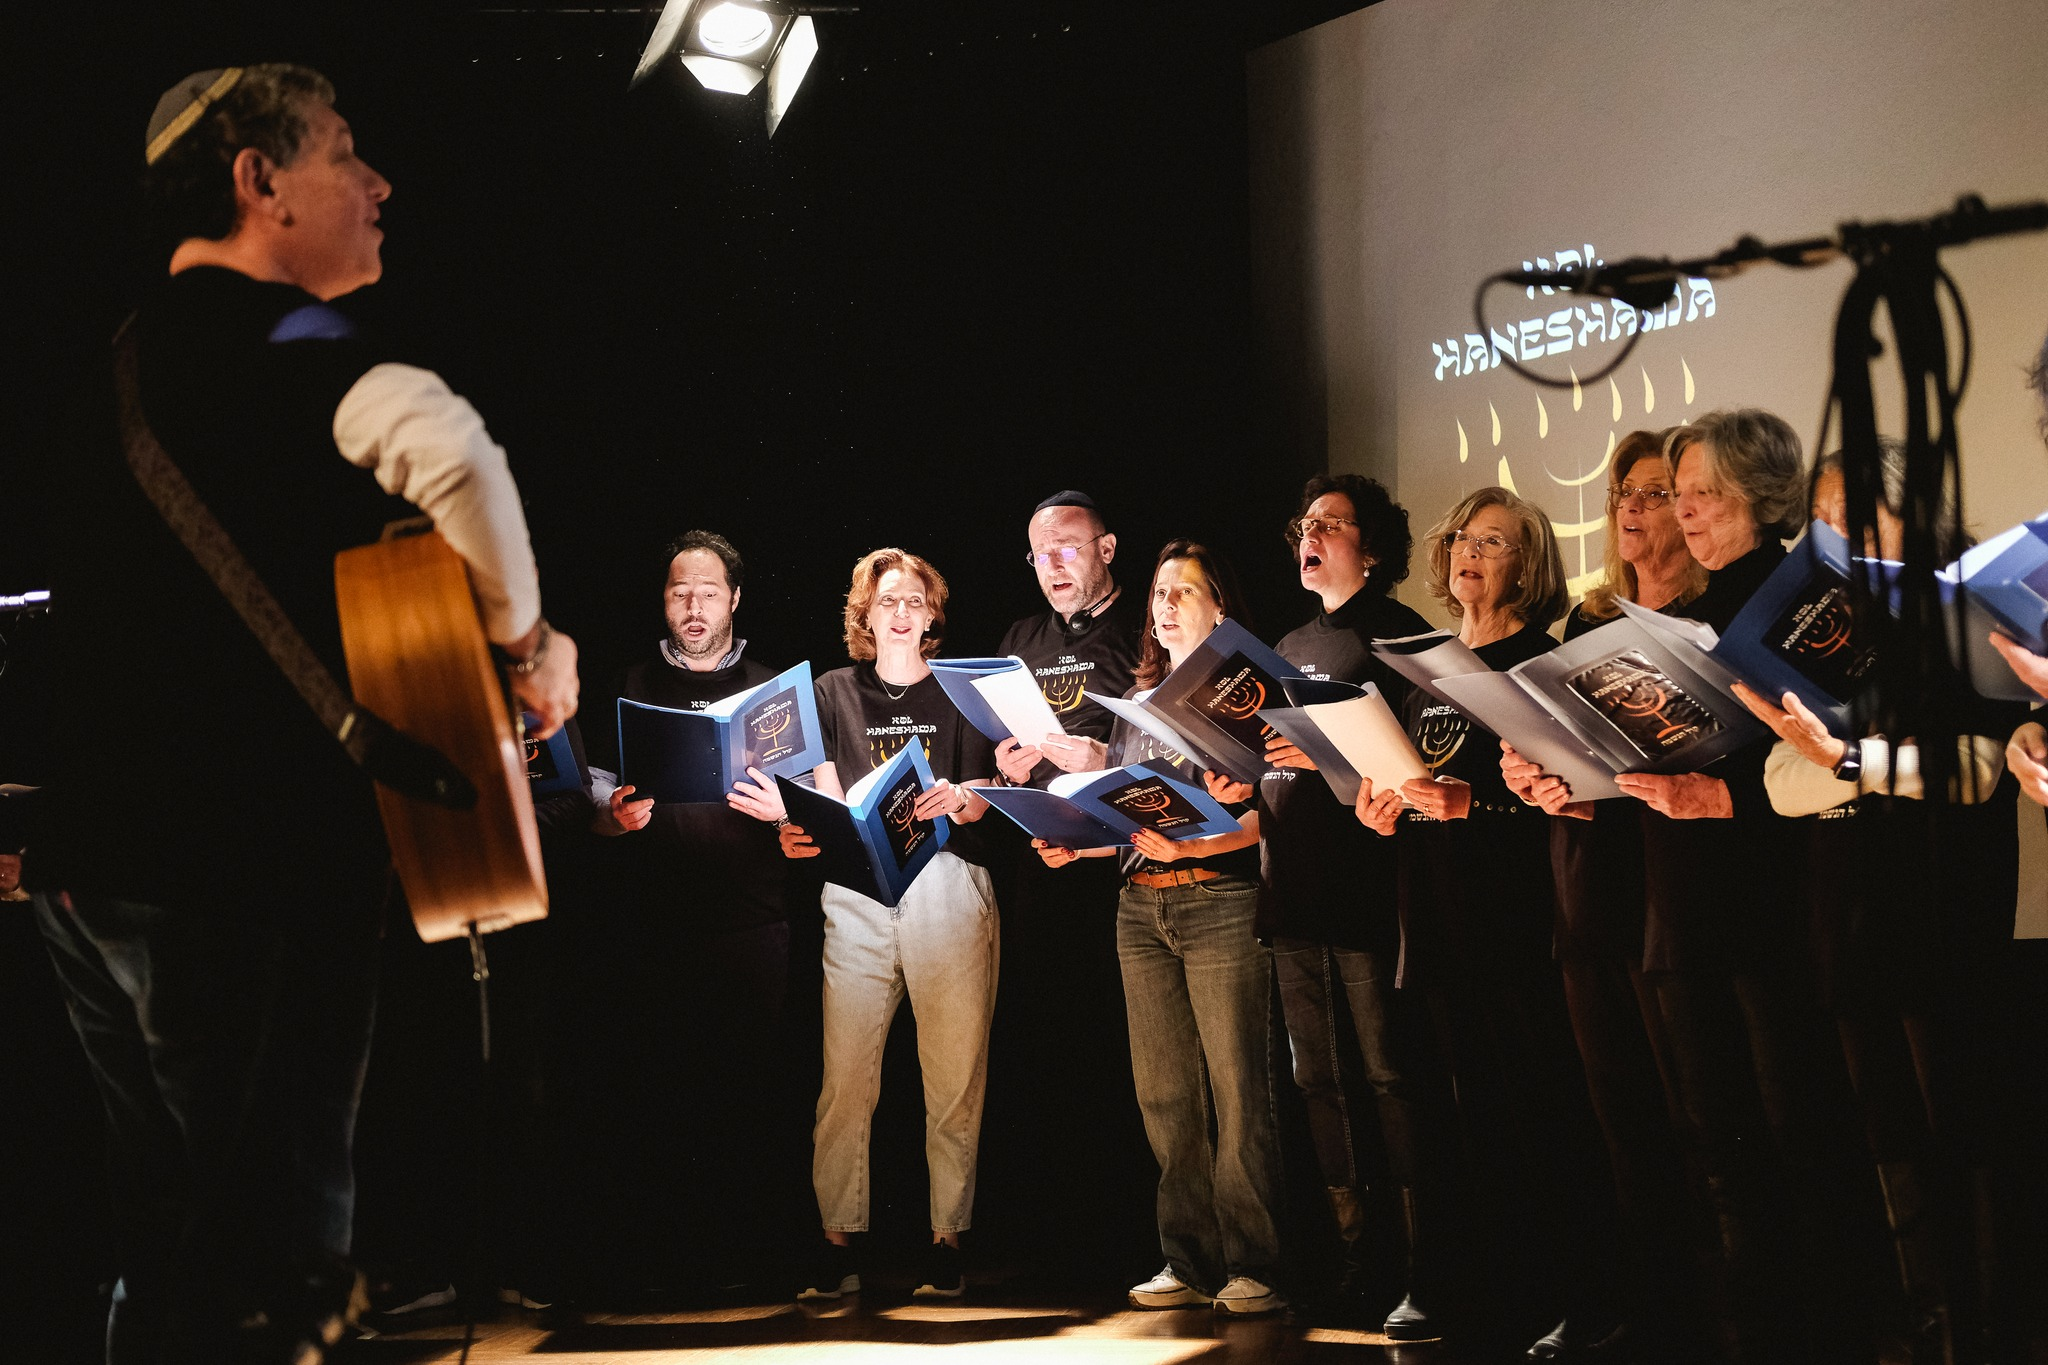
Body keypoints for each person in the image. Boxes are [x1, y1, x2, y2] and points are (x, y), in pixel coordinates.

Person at [27, 64, 578, 1365]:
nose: (379, 181)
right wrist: (529, 643)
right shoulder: (283, 336)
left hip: (89, 872)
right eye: (343, 152)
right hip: (245, 862)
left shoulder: (112, 363)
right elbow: (451, 453)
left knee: (167, 1242)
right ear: (257, 181)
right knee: (274, 1267)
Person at [1736, 443, 2022, 1363]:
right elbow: (1783, 782)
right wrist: (1855, 766)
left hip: (1945, 907)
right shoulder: (1825, 628)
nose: (1845, 538)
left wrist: (1853, 762)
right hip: (1845, 911)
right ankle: (1924, 1317)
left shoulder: (1963, 613)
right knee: (1884, 1130)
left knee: (1962, 1130)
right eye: (1828, 522)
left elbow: (1980, 771)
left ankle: (1982, 1328)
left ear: (1916, 518)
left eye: (1864, 516)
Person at [1619, 411, 1877, 1365]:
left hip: (1775, 900)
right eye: (1676, 491)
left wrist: (1721, 795)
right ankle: (1751, 1323)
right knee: (1715, 1134)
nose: (1682, 509)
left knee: (1797, 1126)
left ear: (1764, 501)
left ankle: (1824, 1326)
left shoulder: (1802, 596)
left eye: (1705, 493)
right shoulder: (1685, 609)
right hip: (1679, 897)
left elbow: (1824, 760)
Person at [1357, 487, 1621, 1359]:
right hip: (1427, 905)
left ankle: (1559, 1290)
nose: (1472, 552)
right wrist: (1380, 804)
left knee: (1533, 1108)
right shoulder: (1422, 666)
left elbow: (1562, 799)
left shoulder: (1538, 662)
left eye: (1496, 542)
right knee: (1441, 1110)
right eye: (1464, 536)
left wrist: (1476, 804)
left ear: (1530, 565)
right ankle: (1456, 1282)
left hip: (1513, 914)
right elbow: (1400, 776)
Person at [1033, 540, 1288, 1316]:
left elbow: (1265, 815)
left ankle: (1256, 1261)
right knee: (1165, 1093)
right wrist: (1075, 839)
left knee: (1239, 1085)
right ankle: (1188, 1257)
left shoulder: (1245, 692)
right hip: (1139, 906)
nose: (1167, 603)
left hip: (1218, 900)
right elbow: (1127, 813)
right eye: (1160, 592)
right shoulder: (1137, 702)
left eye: (1185, 590)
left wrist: (1195, 842)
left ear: (1221, 606)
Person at [1499, 429, 1709, 1354]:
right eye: (1626, 487)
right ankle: (1641, 1301)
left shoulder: (1710, 620)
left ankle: (1711, 1307)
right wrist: (1528, 770)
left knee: (1692, 1110)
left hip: (1674, 886)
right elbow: (1553, 747)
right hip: (1585, 884)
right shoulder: (1585, 624)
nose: (1632, 503)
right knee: (1615, 1112)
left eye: (1659, 492)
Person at [1255, 474, 1456, 1334]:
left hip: (1367, 890)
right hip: (1290, 890)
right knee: (1320, 1082)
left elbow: (1416, 765)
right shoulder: (1287, 639)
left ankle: (1423, 1270)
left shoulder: (1400, 632)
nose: (1314, 534)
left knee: (1389, 1078)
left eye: (1332, 525)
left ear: (1371, 549)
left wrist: (1322, 759)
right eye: (1306, 523)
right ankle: (1354, 1260)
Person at [771, 549, 1000, 1303]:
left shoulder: (962, 690)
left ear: (933, 613)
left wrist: (962, 797)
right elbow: (822, 792)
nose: (900, 612)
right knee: (846, 1078)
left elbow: (987, 792)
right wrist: (803, 824)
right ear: (864, 616)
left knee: (953, 1074)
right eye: (885, 600)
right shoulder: (834, 689)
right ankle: (836, 1243)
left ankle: (947, 1241)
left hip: (947, 884)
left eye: (914, 599)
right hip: (859, 890)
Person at [591, 530, 801, 1283]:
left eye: (708, 591)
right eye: (681, 591)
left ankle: (752, 1261)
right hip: (658, 924)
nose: (693, 605)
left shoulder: (774, 685)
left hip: (754, 919)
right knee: (664, 1098)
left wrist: (784, 807)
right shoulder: (634, 680)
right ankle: (674, 1264)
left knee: (751, 1095)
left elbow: (811, 812)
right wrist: (610, 813)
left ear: (734, 599)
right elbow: (595, 790)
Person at [984, 490, 1151, 1261]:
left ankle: (1131, 1234)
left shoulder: (1142, 628)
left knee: (1127, 1056)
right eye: (1039, 552)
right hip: (1042, 868)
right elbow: (1001, 741)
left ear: (1107, 548)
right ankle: (1057, 1236)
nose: (1052, 564)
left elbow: (1162, 749)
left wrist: (1105, 760)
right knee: (1046, 1046)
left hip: (1120, 867)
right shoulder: (1021, 636)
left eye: (1068, 547)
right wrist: (1009, 761)